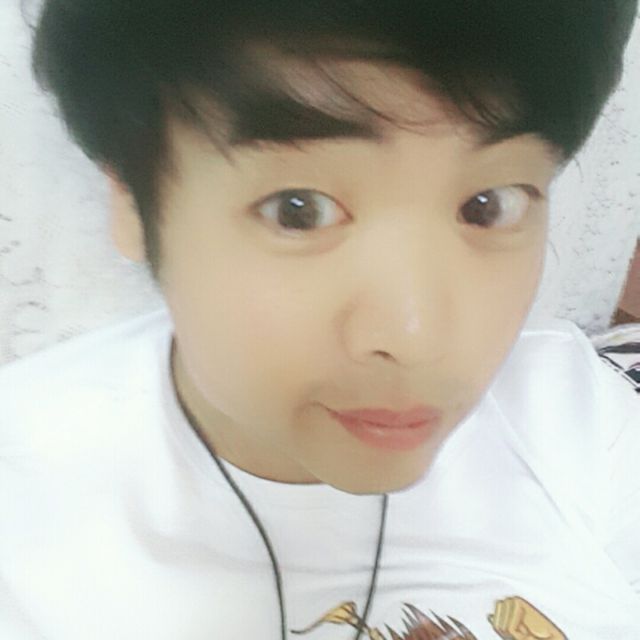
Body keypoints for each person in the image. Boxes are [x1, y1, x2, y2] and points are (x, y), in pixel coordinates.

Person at [1, 1, 639, 638]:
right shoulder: (25, 517)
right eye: (298, 211)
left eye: (487, 206)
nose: (415, 340)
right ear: (131, 203)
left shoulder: (578, 415)